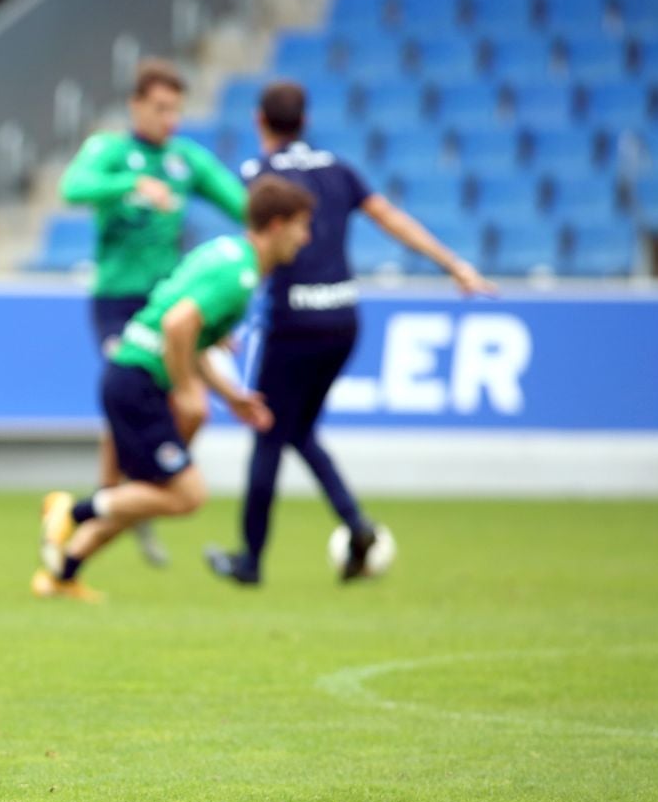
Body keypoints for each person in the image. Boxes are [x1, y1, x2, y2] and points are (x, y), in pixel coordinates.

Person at [205, 81, 497, 586]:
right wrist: (453, 265)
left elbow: (251, 251)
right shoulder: (338, 168)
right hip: (343, 321)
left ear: (260, 122)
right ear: (305, 121)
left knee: (269, 433)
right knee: (297, 431)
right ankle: (357, 526)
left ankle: (250, 560)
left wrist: (227, 319)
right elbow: (390, 218)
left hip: (293, 324)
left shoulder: (257, 177)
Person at [33, 176, 315, 602]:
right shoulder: (239, 275)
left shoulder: (224, 252)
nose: (305, 237)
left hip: (130, 377)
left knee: (145, 495)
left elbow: (190, 335)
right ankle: (69, 511)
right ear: (276, 225)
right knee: (186, 494)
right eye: (300, 225)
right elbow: (177, 324)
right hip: (138, 382)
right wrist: (186, 389)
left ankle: (62, 573)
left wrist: (228, 393)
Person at [58, 59, 248, 568]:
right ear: (136, 106)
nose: (169, 119)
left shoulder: (186, 160)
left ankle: (136, 495)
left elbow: (243, 205)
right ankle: (110, 502)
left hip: (169, 302)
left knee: (192, 410)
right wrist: (129, 186)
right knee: (125, 389)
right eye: (160, 108)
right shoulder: (112, 152)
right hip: (118, 305)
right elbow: (72, 188)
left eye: (176, 110)